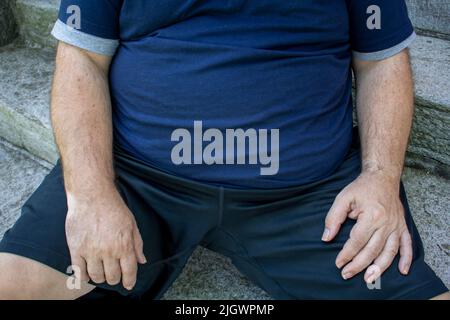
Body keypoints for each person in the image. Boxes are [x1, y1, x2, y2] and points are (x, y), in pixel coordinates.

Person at [0, 0, 448, 300]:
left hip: (309, 197)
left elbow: (382, 62)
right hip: (136, 176)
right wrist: (91, 194)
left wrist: (380, 178)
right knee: (12, 285)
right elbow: (82, 58)